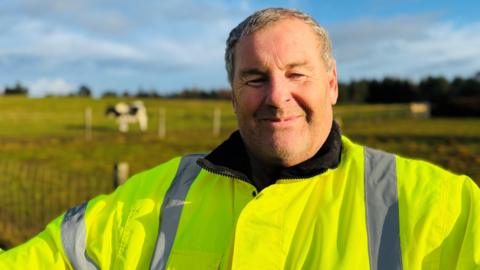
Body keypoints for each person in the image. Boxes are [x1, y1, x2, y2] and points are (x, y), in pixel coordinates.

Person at [1, 7, 479, 270]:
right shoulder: (153, 198)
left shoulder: (442, 204)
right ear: (232, 95)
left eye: (297, 74)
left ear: (332, 84)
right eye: (254, 79)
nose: (277, 96)